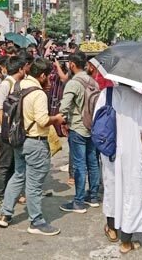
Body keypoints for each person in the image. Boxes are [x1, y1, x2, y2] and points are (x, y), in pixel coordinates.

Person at [0, 59, 65, 235]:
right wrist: (56, 119)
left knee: (19, 175)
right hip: (35, 142)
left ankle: (5, 214)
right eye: (48, 77)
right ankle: (36, 221)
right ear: (41, 75)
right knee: (34, 184)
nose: (49, 81)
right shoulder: (38, 94)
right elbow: (43, 120)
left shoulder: (19, 86)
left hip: (19, 139)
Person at [97, 84, 142, 254]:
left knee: (112, 189)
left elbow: (96, 120)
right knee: (132, 192)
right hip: (132, 151)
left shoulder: (106, 93)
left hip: (110, 150)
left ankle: (112, 230)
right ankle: (126, 241)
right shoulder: (139, 98)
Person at [59, 52, 101, 213]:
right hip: (92, 127)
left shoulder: (74, 83)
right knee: (93, 162)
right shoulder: (93, 81)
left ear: (71, 64)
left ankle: (78, 201)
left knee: (79, 164)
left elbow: (64, 107)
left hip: (77, 127)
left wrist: (64, 120)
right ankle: (94, 196)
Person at [0, 56, 25, 207]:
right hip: (5, 132)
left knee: (14, 163)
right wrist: (7, 129)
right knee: (5, 163)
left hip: (15, 130)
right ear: (20, 69)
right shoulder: (6, 85)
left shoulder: (18, 83)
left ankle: (11, 193)